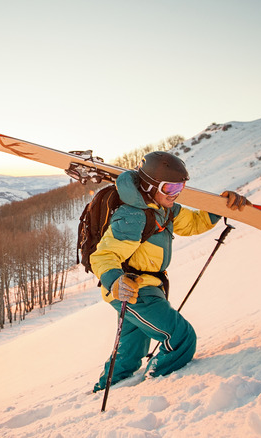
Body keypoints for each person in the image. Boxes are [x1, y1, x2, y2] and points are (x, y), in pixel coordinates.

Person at [91, 151, 250, 392]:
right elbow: (104, 255)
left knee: (130, 350)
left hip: (149, 288)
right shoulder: (133, 216)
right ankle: (155, 387)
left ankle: (104, 389)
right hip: (132, 291)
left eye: (180, 187)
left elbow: (193, 223)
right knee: (181, 338)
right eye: (170, 187)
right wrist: (115, 281)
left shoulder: (165, 208)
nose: (176, 194)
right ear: (148, 185)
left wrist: (219, 208)